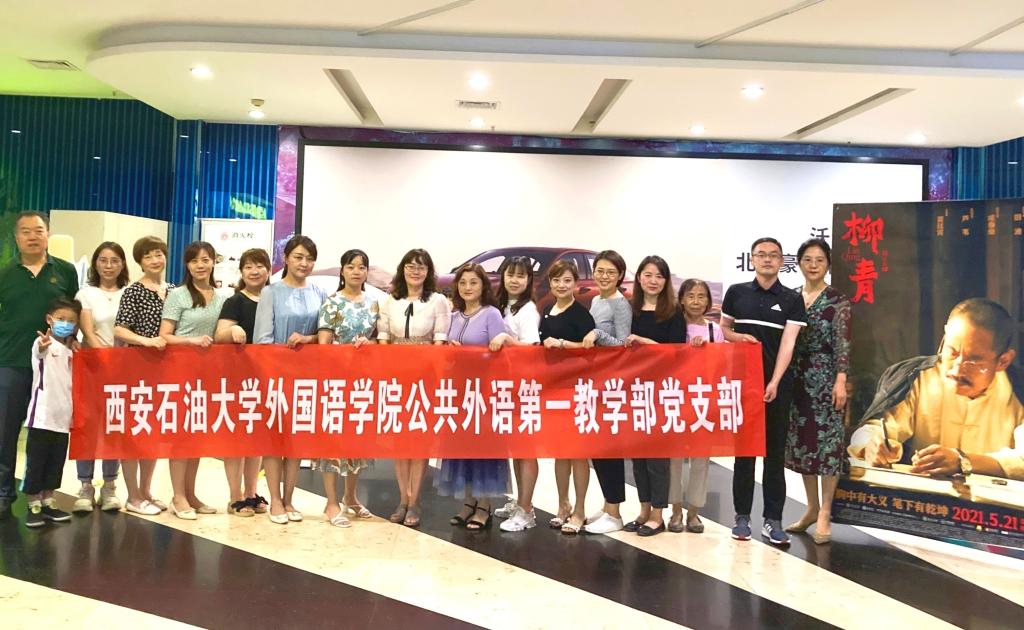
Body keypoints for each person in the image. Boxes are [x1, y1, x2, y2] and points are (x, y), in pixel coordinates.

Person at [849, 298, 1023, 481]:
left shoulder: (1018, 391)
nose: (957, 369)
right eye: (952, 352)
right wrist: (871, 444)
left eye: (974, 360)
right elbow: (876, 428)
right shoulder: (915, 377)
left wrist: (963, 461)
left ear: (1003, 361)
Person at [721, 237, 806, 546]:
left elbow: (789, 343)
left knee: (773, 455)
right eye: (761, 254)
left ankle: (773, 521)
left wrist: (774, 381)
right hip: (743, 384)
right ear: (752, 259)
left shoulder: (791, 299)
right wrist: (737, 337)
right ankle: (741, 517)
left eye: (773, 255)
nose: (767, 259)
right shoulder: (736, 292)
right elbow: (725, 329)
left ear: (782, 260)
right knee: (744, 454)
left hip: (776, 386)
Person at [0, 211, 78, 520]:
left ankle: (46, 495)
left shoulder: (65, 271)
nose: (33, 236)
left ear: (48, 234)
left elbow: (73, 313)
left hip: (54, 367)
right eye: (26, 231)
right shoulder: (6, 274)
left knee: (49, 435)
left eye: (38, 230)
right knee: (6, 432)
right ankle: (4, 492)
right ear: (16, 237)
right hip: (12, 361)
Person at [254, 235, 326, 524]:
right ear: (286, 258)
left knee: (296, 440)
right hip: (275, 375)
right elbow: (262, 339)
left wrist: (308, 339)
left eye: (309, 258)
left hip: (307, 377)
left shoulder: (319, 293)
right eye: (298, 257)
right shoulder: (271, 292)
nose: (304, 263)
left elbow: (324, 334)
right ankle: (274, 500)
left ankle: (289, 499)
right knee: (274, 440)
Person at [377, 248, 450, 528]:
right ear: (402, 269)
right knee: (399, 441)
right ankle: (402, 498)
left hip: (425, 378)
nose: (415, 271)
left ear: (428, 272)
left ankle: (415, 500)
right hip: (396, 376)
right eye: (410, 266)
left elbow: (440, 340)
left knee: (419, 440)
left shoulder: (437, 301)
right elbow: (383, 337)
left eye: (421, 267)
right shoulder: (390, 300)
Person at [784, 239, 850, 544]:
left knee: (827, 445)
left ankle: (825, 512)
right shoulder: (791, 297)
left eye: (819, 260)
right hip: (795, 377)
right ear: (799, 263)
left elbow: (843, 343)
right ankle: (810, 507)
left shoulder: (837, 300)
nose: (813, 265)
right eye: (808, 259)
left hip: (825, 378)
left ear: (828, 265)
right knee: (803, 445)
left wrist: (840, 380)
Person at [435, 264, 510, 530]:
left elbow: (504, 352)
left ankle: (484, 505)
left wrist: (496, 344)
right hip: (458, 392)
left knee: (483, 448)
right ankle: (468, 503)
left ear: (483, 286)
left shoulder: (491, 314)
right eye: (463, 283)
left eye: (473, 283)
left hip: (484, 393)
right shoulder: (454, 317)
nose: (468, 288)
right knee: (461, 446)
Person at [159, 241, 226, 520]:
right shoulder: (178, 295)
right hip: (180, 371)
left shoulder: (221, 297)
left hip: (208, 375)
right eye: (195, 260)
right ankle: (178, 496)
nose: (201, 265)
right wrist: (191, 341)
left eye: (206, 259)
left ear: (213, 262)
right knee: (181, 436)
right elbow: (165, 335)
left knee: (197, 435)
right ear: (187, 264)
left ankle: (191, 493)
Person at [316, 249, 379, 528]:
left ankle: (350, 497)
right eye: (351, 266)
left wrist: (370, 344)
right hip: (335, 380)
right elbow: (324, 344)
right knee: (332, 441)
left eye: (361, 267)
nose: (356, 271)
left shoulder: (374, 304)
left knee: (357, 439)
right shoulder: (332, 302)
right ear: (342, 270)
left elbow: (379, 340)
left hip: (363, 381)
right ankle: (331, 503)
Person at [623, 256, 685, 537]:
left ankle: (658, 514)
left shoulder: (673, 311)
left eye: (659, 276)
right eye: (648, 275)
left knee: (657, 457)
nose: (653, 281)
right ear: (639, 278)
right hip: (634, 390)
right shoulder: (630, 309)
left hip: (661, 391)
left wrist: (644, 342)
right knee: (638, 456)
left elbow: (677, 353)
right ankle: (644, 509)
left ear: (666, 281)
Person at [113, 236, 172, 516]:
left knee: (154, 433)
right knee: (135, 432)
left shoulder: (174, 290)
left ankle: (147, 491)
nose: (155, 260)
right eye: (148, 256)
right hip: (137, 369)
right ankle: (133, 496)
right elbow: (119, 329)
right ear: (140, 262)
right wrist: (146, 341)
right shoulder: (133, 291)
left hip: (167, 370)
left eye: (158, 254)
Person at [538, 259, 596, 535]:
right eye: (556, 280)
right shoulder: (547, 310)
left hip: (577, 389)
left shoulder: (581, 314)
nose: (561, 285)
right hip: (553, 390)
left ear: (576, 283)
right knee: (560, 452)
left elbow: (590, 350)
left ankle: (580, 510)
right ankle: (563, 505)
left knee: (578, 453)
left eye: (567, 280)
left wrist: (562, 344)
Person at [72, 241, 129, 514]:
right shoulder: (86, 293)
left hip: (123, 371)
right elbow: (88, 330)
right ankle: (85, 485)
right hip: (92, 368)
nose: (108, 266)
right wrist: (104, 358)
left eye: (115, 260)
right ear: (95, 263)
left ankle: (109, 485)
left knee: (113, 427)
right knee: (87, 426)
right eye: (103, 260)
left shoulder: (130, 293)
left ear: (122, 264)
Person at [215, 248, 272, 517]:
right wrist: (233, 330)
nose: (254, 271)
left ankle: (251, 491)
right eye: (248, 266)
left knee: (257, 437)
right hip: (239, 378)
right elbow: (219, 335)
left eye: (259, 266)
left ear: (269, 270)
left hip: (266, 377)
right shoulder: (235, 301)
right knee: (237, 438)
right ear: (241, 272)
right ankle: (234, 496)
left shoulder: (273, 298)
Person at [580, 250, 631, 535]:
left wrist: (598, 335)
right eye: (600, 270)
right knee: (597, 448)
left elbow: (623, 345)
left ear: (620, 275)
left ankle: (615, 513)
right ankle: (607, 505)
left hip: (612, 384)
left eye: (611, 272)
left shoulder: (620, 304)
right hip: (596, 382)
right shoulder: (597, 300)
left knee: (609, 447)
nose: (604, 276)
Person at [489, 256, 541, 532]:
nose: (514, 280)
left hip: (523, 386)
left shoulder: (529, 310)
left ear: (529, 280)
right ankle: (520, 502)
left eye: (521, 275)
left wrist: (508, 340)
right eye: (510, 274)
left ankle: (527, 510)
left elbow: (532, 348)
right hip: (504, 386)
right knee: (515, 449)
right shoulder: (499, 306)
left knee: (526, 449)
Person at [669, 278, 724, 534]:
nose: (695, 301)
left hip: (703, 399)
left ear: (708, 301)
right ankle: (675, 510)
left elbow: (722, 365)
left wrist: (707, 351)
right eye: (690, 296)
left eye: (701, 296)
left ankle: (694, 512)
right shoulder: (673, 326)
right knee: (674, 458)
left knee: (701, 458)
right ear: (681, 299)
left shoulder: (715, 330)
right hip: (675, 398)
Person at [22, 297, 81, 528]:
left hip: (62, 420)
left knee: (55, 464)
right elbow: (39, 352)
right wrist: (42, 345)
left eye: (71, 321)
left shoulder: (70, 351)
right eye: (61, 319)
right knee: (36, 463)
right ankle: (33, 504)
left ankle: (48, 500)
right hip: (42, 418)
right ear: (49, 319)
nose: (66, 323)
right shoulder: (42, 343)